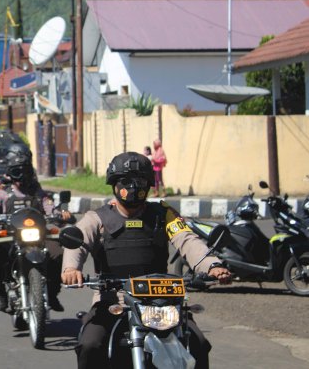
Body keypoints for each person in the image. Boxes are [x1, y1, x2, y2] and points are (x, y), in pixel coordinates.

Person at [61, 151, 232, 369]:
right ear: (114, 184)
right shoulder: (97, 218)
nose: (133, 188)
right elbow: (79, 241)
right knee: (90, 344)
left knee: (197, 342)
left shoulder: (164, 214)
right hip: (115, 299)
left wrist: (212, 265)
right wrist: (70, 269)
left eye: (139, 182)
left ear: (149, 184)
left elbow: (187, 240)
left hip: (161, 299)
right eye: (126, 182)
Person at [0, 149, 72, 312]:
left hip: (37, 235)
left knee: (58, 254)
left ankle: (53, 293)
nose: (22, 176)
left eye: (25, 171)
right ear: (10, 174)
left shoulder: (38, 192)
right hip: (11, 235)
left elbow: (49, 207)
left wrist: (60, 213)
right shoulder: (3, 193)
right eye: (17, 171)